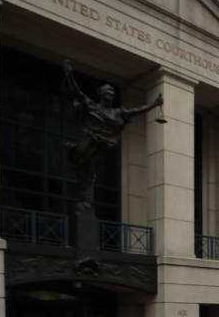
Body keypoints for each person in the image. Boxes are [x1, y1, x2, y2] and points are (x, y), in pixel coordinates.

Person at [63, 59, 163, 208]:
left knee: (90, 174)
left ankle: (86, 200)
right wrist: (69, 75)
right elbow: (78, 93)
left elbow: (135, 111)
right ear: (101, 94)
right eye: (107, 91)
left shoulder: (117, 113)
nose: (110, 93)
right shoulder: (92, 107)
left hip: (101, 147)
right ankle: (84, 198)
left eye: (112, 92)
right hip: (89, 143)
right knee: (83, 167)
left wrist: (154, 104)